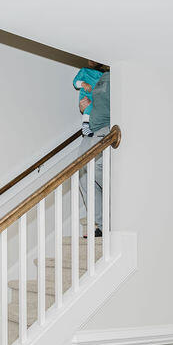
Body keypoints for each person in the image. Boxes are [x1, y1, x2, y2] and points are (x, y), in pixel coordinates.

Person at [74, 69, 110, 235]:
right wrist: (85, 107)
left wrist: (92, 107)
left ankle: (118, 210)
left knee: (96, 168)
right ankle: (103, 225)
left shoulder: (116, 73)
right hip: (91, 130)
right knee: (83, 177)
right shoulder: (97, 75)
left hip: (106, 128)